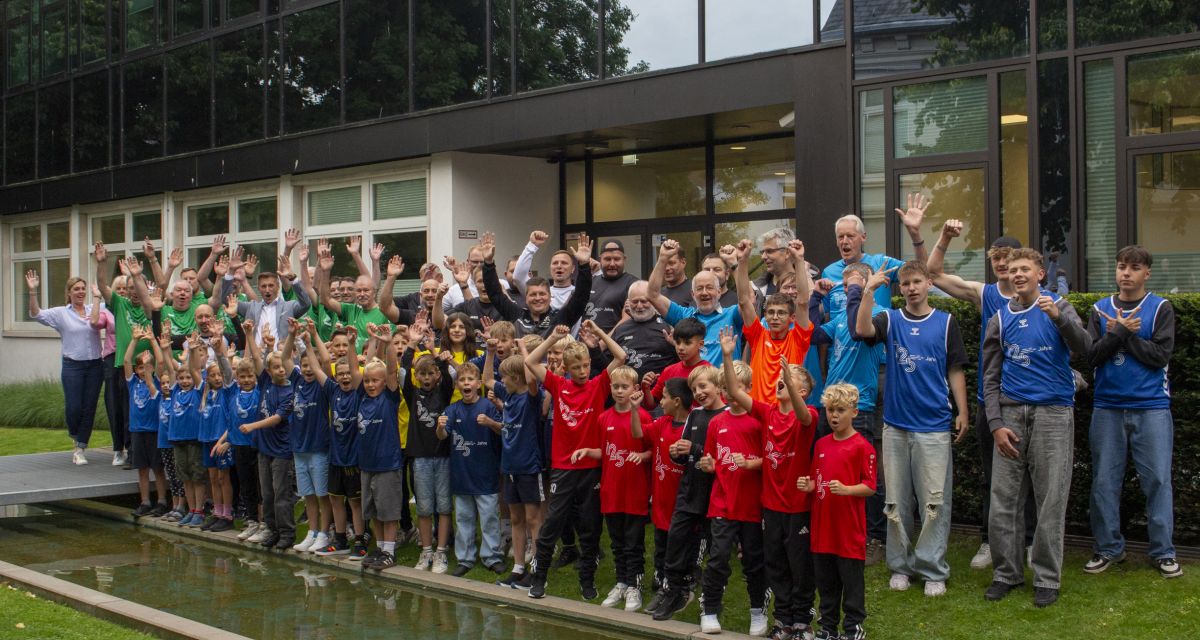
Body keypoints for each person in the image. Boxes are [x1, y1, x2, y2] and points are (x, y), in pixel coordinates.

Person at [981, 248, 1091, 608]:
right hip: (1011, 417)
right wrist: (996, 424)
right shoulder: (999, 318)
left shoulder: (1059, 306)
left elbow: (1085, 347)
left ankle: (1046, 578)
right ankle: (1006, 574)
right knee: (1004, 501)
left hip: (1053, 414)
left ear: (1040, 274)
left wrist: (1059, 318)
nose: (1017, 274)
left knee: (1050, 500)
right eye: (1012, 269)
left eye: (1024, 269)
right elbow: (990, 378)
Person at [854, 260, 969, 597]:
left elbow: (955, 369)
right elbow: (862, 331)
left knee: (934, 502)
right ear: (900, 289)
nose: (911, 288)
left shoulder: (946, 322)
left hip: (934, 425)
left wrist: (962, 411)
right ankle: (901, 566)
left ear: (929, 283)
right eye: (905, 284)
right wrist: (868, 291)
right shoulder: (890, 319)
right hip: (896, 425)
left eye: (917, 281)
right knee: (896, 501)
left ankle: (933, 569)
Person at [926, 222, 1035, 569]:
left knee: (1032, 475)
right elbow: (933, 274)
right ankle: (989, 541)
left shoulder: (1038, 298)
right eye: (996, 258)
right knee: (992, 475)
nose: (1001, 263)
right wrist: (945, 237)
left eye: (1007, 257)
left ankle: (1030, 543)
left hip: (1030, 399)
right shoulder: (984, 293)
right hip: (992, 400)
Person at [1084, 246, 1181, 579]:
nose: (1126, 273)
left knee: (1157, 481)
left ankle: (1163, 552)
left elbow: (1159, 356)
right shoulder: (1099, 309)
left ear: (1146, 273)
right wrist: (1120, 331)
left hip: (1151, 407)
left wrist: (1123, 334)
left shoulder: (1160, 308)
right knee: (1104, 482)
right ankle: (1109, 548)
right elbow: (1092, 355)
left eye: (1134, 268)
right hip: (1107, 407)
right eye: (1121, 266)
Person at [524, 320, 627, 600]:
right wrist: (552, 338)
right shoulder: (559, 385)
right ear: (567, 369)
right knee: (553, 523)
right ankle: (539, 577)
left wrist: (600, 332)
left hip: (591, 468)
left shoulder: (598, 385)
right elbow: (531, 361)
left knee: (590, 526)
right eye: (577, 368)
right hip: (563, 467)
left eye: (585, 366)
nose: (582, 371)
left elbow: (621, 356)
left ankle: (587, 579)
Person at [695, 334, 767, 636]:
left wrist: (751, 463)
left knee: (754, 561)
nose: (732, 394)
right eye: (726, 389)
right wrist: (708, 464)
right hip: (722, 503)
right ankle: (710, 610)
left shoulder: (759, 420)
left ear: (748, 388)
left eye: (738, 388)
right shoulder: (716, 423)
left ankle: (758, 611)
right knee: (718, 558)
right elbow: (712, 459)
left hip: (751, 504)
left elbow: (770, 460)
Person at [819, 263, 888, 563]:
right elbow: (811, 334)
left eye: (855, 283)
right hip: (832, 403)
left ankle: (876, 537)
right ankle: (836, 531)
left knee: (866, 475)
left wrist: (863, 290)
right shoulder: (838, 317)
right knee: (832, 469)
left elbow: (858, 330)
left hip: (859, 407)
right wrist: (813, 298)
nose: (849, 289)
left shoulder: (877, 315)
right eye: (846, 285)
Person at [569, 366, 653, 611]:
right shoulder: (604, 418)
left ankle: (635, 586)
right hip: (611, 490)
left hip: (635, 490)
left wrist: (642, 456)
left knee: (633, 542)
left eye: (624, 387)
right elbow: (604, 451)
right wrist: (588, 451)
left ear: (635, 389)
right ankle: (622, 582)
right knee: (617, 542)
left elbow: (652, 449)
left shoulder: (643, 416)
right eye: (615, 386)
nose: (619, 391)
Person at [798, 383, 877, 640]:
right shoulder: (821, 445)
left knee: (852, 585)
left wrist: (847, 489)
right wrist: (808, 485)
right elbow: (816, 479)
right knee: (827, 584)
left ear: (854, 412)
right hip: (823, 531)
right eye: (831, 410)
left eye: (840, 410)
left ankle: (853, 629)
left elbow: (870, 487)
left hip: (849, 532)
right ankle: (828, 628)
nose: (834, 415)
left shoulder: (862, 446)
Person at [650, 365, 727, 621]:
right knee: (675, 540)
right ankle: (673, 591)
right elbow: (686, 454)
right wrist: (677, 454)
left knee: (707, 551)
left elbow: (722, 455)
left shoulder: (727, 415)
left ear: (718, 386)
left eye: (703, 386)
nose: (699, 392)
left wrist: (694, 449)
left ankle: (703, 598)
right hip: (688, 490)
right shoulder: (694, 415)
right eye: (694, 389)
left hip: (713, 496)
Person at [25, 270, 107, 465]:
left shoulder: (95, 308)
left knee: (89, 407)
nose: (80, 292)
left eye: (83, 289)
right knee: (74, 407)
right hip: (73, 366)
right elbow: (36, 314)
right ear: (69, 292)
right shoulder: (61, 313)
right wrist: (33, 291)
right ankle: (74, 434)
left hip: (95, 365)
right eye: (76, 289)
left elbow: (116, 303)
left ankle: (80, 447)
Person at [486, 342, 546, 589]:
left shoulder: (531, 397)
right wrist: (490, 352)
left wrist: (522, 348)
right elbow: (487, 379)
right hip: (509, 466)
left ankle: (538, 569)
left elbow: (531, 378)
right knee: (515, 517)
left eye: (505, 377)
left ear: (516, 378)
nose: (502, 381)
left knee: (533, 518)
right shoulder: (508, 394)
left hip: (529, 466)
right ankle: (518, 568)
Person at [437, 362, 506, 576]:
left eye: (470, 379)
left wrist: (490, 423)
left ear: (478, 384)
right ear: (457, 385)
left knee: (489, 518)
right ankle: (465, 558)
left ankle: (492, 557)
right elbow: (443, 436)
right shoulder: (452, 409)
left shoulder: (488, 406)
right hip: (462, 475)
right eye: (462, 380)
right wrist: (439, 427)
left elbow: (503, 430)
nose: (466, 383)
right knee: (464, 519)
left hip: (486, 474)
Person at [634, 377, 693, 615]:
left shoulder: (693, 426)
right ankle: (663, 588)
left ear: (677, 401)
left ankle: (679, 590)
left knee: (678, 551)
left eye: (664, 397)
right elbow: (639, 433)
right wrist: (634, 409)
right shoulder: (662, 423)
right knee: (661, 549)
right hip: (660, 502)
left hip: (681, 505)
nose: (660, 401)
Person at [817, 193, 931, 317]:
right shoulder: (829, 272)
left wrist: (915, 234)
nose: (844, 241)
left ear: (863, 237)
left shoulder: (881, 263)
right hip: (841, 329)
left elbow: (922, 269)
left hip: (877, 327)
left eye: (850, 236)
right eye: (840, 237)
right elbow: (826, 313)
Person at [401, 323, 457, 575]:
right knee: (424, 507)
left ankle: (441, 551)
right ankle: (426, 550)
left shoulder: (444, 392)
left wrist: (434, 350)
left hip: (442, 456)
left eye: (430, 374)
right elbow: (403, 371)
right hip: (420, 458)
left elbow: (448, 374)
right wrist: (411, 344)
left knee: (443, 506)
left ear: (436, 376)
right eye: (421, 374)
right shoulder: (412, 394)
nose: (425, 378)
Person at [238, 328, 297, 552]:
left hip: (281, 450)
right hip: (264, 449)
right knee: (267, 493)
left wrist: (252, 426)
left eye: (283, 366)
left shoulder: (289, 392)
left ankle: (287, 532)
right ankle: (271, 529)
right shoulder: (265, 383)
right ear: (269, 371)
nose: (281, 370)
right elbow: (256, 358)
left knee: (281, 493)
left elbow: (277, 418)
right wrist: (249, 334)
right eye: (276, 367)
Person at [735, 238, 813, 403]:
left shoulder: (798, 339)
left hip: (786, 410)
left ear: (792, 318)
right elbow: (743, 301)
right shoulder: (758, 335)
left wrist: (799, 260)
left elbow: (803, 301)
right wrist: (742, 261)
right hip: (758, 410)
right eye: (771, 312)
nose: (775, 317)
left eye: (781, 313)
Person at [355, 323, 405, 570]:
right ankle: (380, 547)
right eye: (367, 381)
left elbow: (392, 371)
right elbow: (363, 368)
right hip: (367, 465)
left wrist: (389, 343)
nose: (371, 384)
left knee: (388, 510)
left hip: (387, 464)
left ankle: (389, 551)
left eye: (376, 381)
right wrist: (372, 341)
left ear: (384, 383)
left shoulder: (389, 397)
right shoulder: (362, 398)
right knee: (373, 510)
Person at [648, 239, 744, 365]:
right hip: (693, 378)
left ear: (719, 292)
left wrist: (734, 265)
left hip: (725, 378)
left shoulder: (732, 315)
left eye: (709, 288)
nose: (704, 292)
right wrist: (662, 258)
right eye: (699, 288)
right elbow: (652, 294)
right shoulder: (684, 316)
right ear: (693, 294)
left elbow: (746, 300)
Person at [282, 322, 334, 554]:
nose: (308, 369)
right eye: (304, 366)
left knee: (322, 494)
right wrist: (291, 335)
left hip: (319, 447)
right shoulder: (297, 381)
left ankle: (324, 532)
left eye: (311, 366)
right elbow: (285, 358)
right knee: (309, 495)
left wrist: (311, 339)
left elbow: (324, 361)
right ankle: (312, 531)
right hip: (299, 448)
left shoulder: (323, 385)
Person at [481, 231, 594, 338]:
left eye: (542, 294)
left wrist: (584, 264)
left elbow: (581, 297)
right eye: (533, 294)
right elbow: (495, 294)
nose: (538, 298)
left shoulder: (560, 318)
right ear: (525, 298)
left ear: (550, 297)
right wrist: (488, 262)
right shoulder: (517, 316)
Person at [124, 326, 170, 518]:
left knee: (157, 468)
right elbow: (126, 360)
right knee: (142, 468)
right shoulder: (133, 382)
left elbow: (161, 361)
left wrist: (152, 340)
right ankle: (145, 502)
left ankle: (162, 501)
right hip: (137, 430)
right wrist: (134, 340)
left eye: (147, 367)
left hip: (154, 430)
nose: (144, 370)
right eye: (141, 367)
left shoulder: (156, 382)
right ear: (137, 370)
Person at [608, 281, 676, 381]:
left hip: (660, 388)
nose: (639, 306)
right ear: (628, 302)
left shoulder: (668, 327)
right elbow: (608, 364)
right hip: (627, 388)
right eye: (635, 302)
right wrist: (595, 349)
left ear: (653, 301)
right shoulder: (620, 330)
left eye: (644, 301)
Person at [641, 317, 708, 410]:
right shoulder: (669, 371)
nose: (680, 348)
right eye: (678, 342)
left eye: (687, 343)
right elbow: (651, 405)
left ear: (700, 344)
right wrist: (646, 388)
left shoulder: (709, 372)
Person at [586, 239, 640, 333]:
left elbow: (626, 319)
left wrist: (603, 341)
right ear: (600, 260)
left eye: (617, 259)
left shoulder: (633, 284)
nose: (612, 264)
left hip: (616, 341)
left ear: (624, 259)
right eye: (607, 259)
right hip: (585, 340)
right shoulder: (591, 281)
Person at [753, 227, 797, 297]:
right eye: (762, 252)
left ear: (787, 252)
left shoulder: (809, 284)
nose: (763, 257)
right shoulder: (755, 289)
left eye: (769, 251)